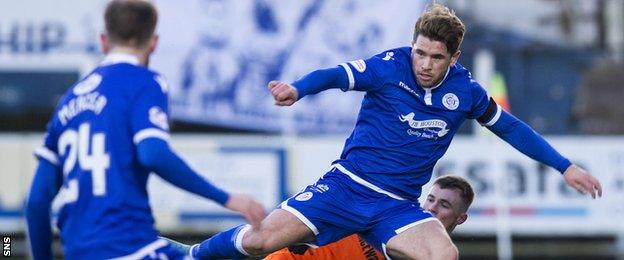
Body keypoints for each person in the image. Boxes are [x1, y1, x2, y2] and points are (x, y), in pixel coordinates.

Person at [190, 3, 603, 260]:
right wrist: (297, 88)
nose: (424, 64)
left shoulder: (466, 91)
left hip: (397, 206)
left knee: (444, 253)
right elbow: (337, 74)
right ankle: (190, 256)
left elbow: (510, 128)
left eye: (435, 57)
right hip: (346, 188)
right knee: (262, 242)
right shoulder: (389, 66)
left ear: (454, 58)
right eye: (419, 52)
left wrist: (564, 167)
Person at [25, 0, 265, 259]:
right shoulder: (146, 82)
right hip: (129, 246)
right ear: (153, 42)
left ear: (104, 40)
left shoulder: (68, 101)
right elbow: (152, 153)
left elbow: (37, 200)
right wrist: (227, 198)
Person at [264, 175, 474, 260]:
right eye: (431, 199)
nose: (432, 208)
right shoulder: (390, 215)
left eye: (444, 205)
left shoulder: (436, 253)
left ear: (461, 218)